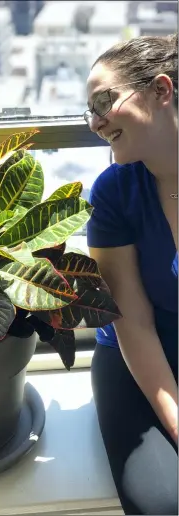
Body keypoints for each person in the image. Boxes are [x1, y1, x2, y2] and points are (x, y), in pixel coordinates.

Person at [85, 34, 178, 515]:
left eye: (104, 101)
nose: (96, 122)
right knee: (163, 505)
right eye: (89, 111)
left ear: (161, 90)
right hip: (134, 359)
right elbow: (133, 324)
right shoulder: (114, 194)